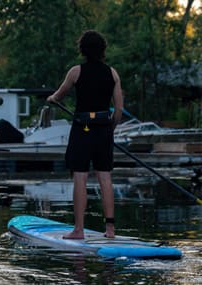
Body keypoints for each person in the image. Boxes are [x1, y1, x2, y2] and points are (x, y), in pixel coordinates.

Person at [47, 30, 124, 239]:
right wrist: (111, 129)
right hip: (103, 127)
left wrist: (51, 98)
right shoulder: (113, 73)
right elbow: (118, 109)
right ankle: (110, 230)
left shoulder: (75, 72)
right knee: (104, 176)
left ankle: (79, 229)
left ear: (83, 50)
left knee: (80, 177)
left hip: (83, 128)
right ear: (103, 50)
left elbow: (59, 95)